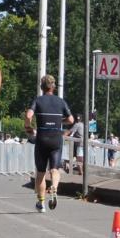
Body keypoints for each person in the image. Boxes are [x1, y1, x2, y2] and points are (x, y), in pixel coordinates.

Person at [25, 75, 74, 212]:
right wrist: (59, 122)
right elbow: (71, 119)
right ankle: (54, 187)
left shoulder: (38, 100)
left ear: (42, 87)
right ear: (53, 87)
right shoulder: (61, 102)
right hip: (56, 139)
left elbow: (29, 115)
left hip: (42, 139)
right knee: (54, 169)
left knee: (40, 173)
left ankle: (41, 203)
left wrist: (28, 127)